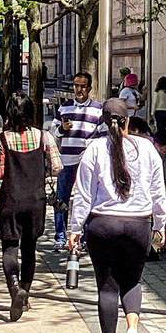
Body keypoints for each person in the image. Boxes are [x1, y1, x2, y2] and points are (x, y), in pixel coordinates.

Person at [68, 99, 166, 333]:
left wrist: (75, 229)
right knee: (133, 281)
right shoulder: (146, 148)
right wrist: (160, 224)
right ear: (128, 120)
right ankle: (132, 327)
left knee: (107, 286)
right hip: (138, 224)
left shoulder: (95, 149)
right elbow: (158, 191)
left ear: (102, 120)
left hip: (103, 224)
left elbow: (83, 194)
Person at [0, 92, 62, 320]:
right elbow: (57, 167)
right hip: (36, 200)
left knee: (9, 246)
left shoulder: (2, 139)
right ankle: (26, 290)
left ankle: (14, 288)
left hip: (11, 199)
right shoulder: (44, 137)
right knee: (29, 248)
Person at [51, 72, 105, 249]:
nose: (79, 89)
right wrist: (61, 128)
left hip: (87, 162)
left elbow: (104, 135)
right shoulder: (64, 107)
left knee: (87, 198)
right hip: (66, 160)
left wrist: (92, 144)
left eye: (83, 86)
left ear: (89, 88)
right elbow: (53, 133)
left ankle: (85, 237)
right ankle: (60, 236)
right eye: (76, 85)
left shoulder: (98, 109)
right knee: (61, 199)